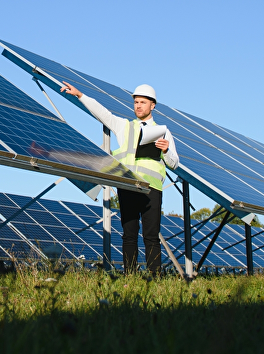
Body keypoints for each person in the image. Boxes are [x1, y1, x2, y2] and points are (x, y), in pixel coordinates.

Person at [60, 82, 178, 276]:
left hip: (152, 189)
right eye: (136, 102)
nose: (138, 106)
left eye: (143, 102)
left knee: (151, 236)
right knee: (129, 235)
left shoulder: (163, 131)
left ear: (152, 105)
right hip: (128, 186)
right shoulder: (124, 126)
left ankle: (155, 278)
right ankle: (130, 276)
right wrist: (80, 95)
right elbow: (103, 113)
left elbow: (174, 163)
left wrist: (165, 151)